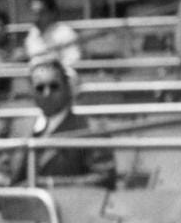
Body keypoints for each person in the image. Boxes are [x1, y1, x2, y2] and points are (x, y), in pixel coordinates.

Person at [8, 59, 115, 188]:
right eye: (40, 88)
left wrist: (50, 184)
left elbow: (104, 179)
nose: (46, 93)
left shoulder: (91, 129)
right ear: (32, 92)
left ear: (67, 88)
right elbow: (6, 171)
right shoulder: (20, 126)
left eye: (54, 86)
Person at [21, 0, 81, 72]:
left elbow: (74, 61)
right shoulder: (32, 33)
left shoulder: (65, 33)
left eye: (41, 12)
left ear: (52, 13)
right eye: (33, 13)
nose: (36, 17)